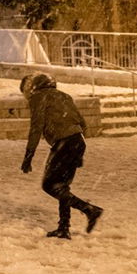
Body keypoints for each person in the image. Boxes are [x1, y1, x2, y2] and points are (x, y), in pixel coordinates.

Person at [20, 73, 104, 239]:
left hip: (64, 143)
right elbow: (83, 123)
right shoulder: (65, 96)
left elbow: (36, 128)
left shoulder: (38, 97)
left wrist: (28, 156)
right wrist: (78, 151)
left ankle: (89, 210)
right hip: (78, 141)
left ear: (36, 87)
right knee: (62, 186)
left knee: (50, 185)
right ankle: (64, 228)